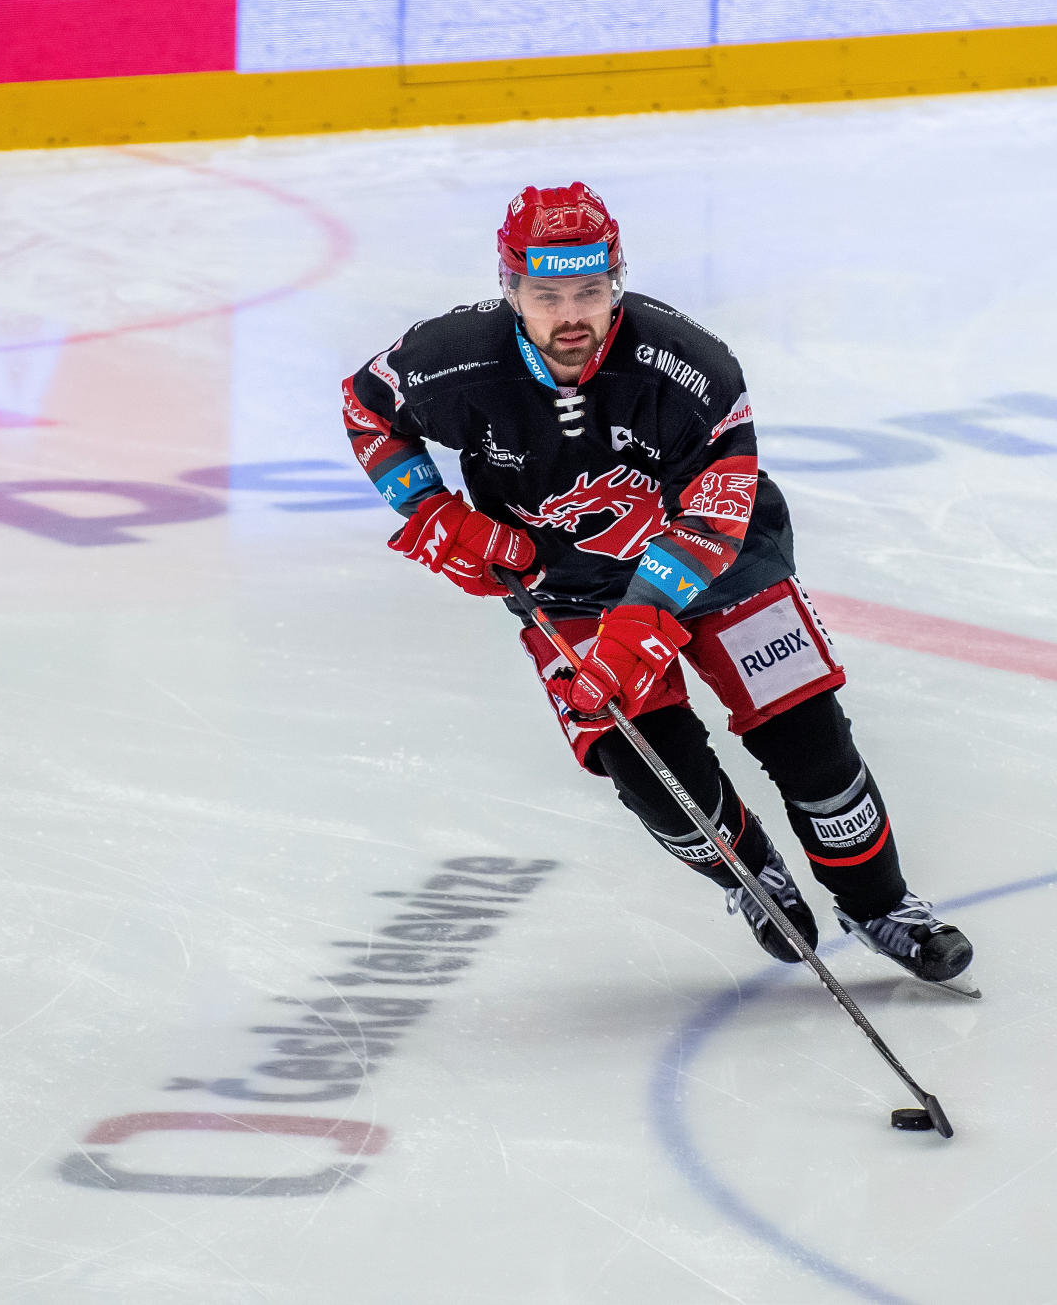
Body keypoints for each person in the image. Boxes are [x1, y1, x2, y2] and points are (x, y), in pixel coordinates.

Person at [341, 182, 974, 992]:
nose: (571, 316)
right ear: (510, 289)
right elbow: (367, 409)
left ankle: (882, 905)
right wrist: (432, 509)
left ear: (616, 279)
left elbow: (714, 518)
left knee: (810, 742)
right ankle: (750, 870)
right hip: (567, 587)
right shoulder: (453, 357)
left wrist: (641, 617)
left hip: (724, 565)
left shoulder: (691, 367)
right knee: (650, 773)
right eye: (547, 296)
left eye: (590, 291)